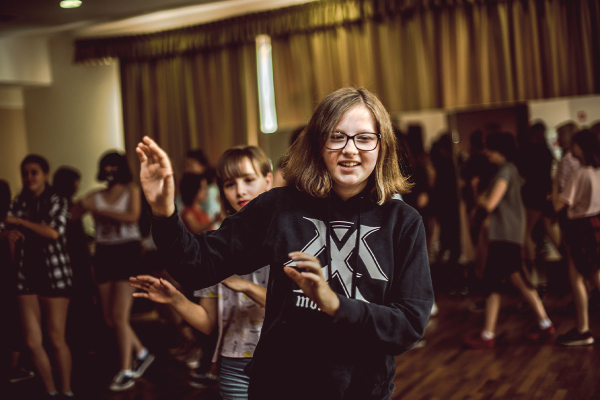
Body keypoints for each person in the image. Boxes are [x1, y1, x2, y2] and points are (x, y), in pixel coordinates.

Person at [137, 87, 433, 400]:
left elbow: (409, 325)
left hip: (362, 392)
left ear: (382, 145)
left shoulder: (403, 222)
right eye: (337, 137)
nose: (350, 149)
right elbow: (196, 265)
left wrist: (335, 305)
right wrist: (163, 212)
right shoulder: (278, 208)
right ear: (318, 144)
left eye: (364, 138)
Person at [131, 145, 273, 400]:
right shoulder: (214, 247)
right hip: (233, 365)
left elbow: (294, 307)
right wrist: (175, 299)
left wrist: (246, 286)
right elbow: (208, 323)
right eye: (230, 184)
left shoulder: (285, 236)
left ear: (268, 180)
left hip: (279, 358)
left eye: (249, 180)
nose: (240, 190)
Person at [463, 132, 554, 349]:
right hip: (508, 234)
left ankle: (488, 335)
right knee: (516, 280)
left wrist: (477, 192)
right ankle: (544, 323)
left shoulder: (505, 172)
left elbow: (490, 204)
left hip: (504, 235)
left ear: (499, 151)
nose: (486, 152)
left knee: (494, 284)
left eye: (490, 149)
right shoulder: (510, 170)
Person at [78, 151, 154, 391]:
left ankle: (126, 370)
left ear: (121, 168)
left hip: (127, 253)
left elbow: (132, 216)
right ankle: (141, 353)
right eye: (106, 166)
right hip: (103, 253)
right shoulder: (95, 195)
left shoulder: (132, 191)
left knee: (120, 316)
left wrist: (99, 211)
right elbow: (75, 211)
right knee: (109, 318)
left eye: (114, 165)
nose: (110, 170)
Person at [0, 155, 74, 397]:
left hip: (54, 274)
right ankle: (51, 391)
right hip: (26, 275)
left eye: (34, 172)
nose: (29, 177)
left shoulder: (56, 200)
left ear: (45, 174)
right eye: (25, 173)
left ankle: (67, 391)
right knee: (32, 342)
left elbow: (53, 233)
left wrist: (20, 223)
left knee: (56, 338)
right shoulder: (19, 201)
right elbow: (5, 226)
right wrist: (8, 233)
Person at [553, 129, 600, 346]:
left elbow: (558, 205)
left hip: (581, 228)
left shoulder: (579, 174)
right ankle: (582, 329)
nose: (571, 148)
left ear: (582, 147)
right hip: (596, 224)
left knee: (581, 277)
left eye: (574, 144)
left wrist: (555, 187)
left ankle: (583, 329)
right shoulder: (597, 172)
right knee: (590, 274)